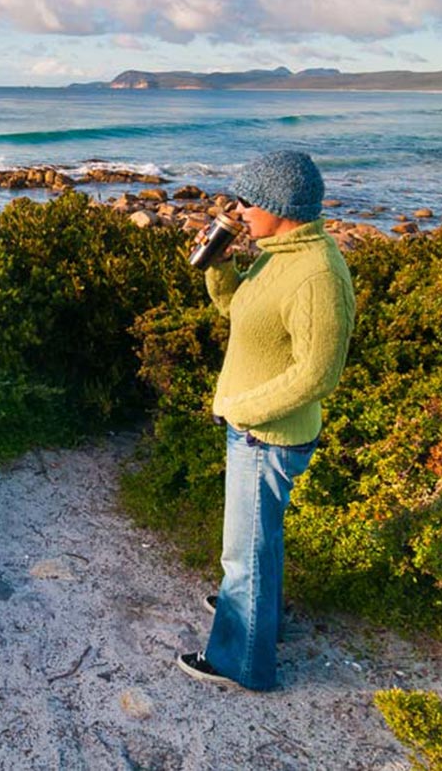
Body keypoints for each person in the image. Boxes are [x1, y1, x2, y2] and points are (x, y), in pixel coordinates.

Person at [176, 149, 356, 691]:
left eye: (248, 200)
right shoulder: (281, 253)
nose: (238, 209)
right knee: (260, 541)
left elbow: (317, 375)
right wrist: (221, 264)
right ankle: (261, 615)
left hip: (266, 435)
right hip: (257, 429)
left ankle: (240, 663)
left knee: (243, 553)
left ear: (281, 205)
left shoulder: (316, 274)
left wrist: (242, 411)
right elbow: (241, 311)